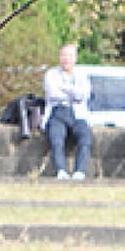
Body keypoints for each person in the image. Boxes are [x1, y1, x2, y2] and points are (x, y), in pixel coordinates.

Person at [40, 43, 92, 180]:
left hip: (78, 113)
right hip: (57, 112)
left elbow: (83, 95)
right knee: (57, 139)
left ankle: (80, 171)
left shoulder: (82, 75)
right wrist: (73, 91)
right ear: (59, 57)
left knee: (85, 139)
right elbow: (53, 94)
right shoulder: (51, 74)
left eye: (70, 56)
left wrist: (65, 89)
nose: (66, 59)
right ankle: (61, 171)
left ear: (75, 58)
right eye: (64, 55)